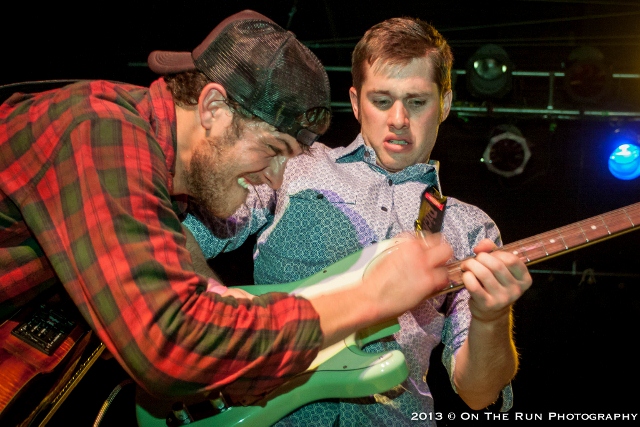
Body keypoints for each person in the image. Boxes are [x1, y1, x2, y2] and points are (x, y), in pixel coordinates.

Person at [0, 9, 455, 409]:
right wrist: (366, 299)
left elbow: (176, 278)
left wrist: (220, 305)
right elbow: (172, 348)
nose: (276, 179)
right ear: (213, 107)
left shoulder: (151, 168)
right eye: (273, 149)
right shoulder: (102, 134)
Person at [184, 16, 533, 425]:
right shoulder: (294, 165)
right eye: (382, 101)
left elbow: (478, 392)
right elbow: (180, 237)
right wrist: (220, 323)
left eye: (417, 102)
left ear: (445, 104)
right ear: (355, 102)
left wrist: (492, 318)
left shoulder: (469, 227)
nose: (398, 118)